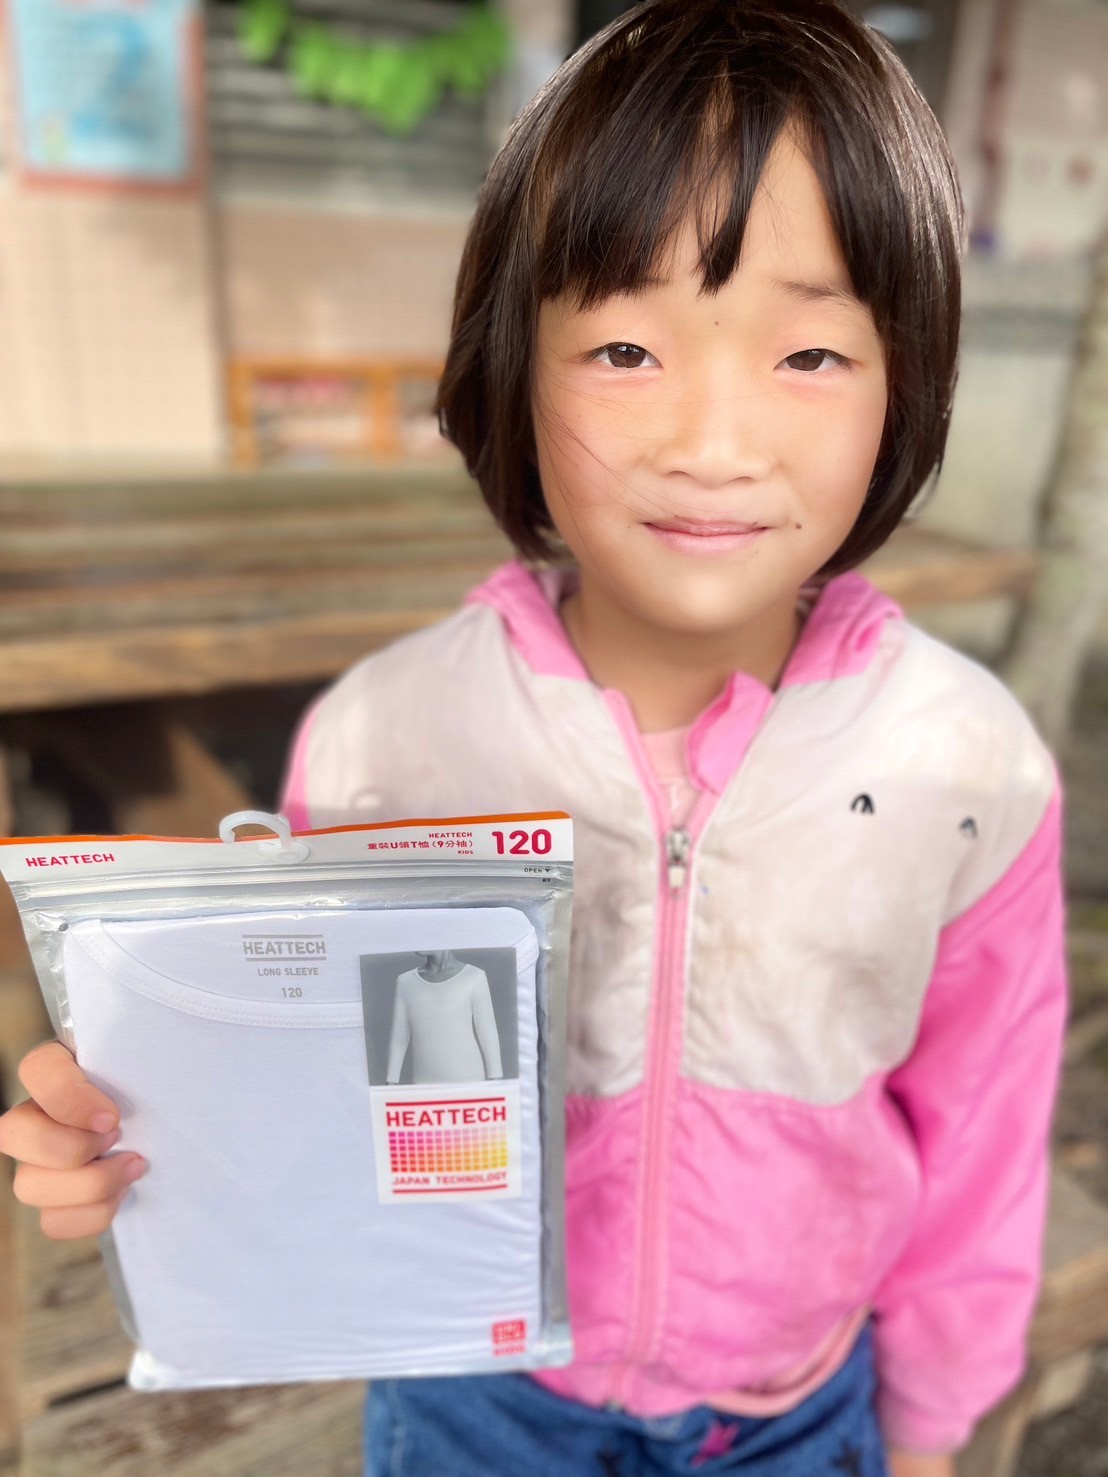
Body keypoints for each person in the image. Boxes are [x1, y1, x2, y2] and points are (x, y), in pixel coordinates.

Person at [0, 2, 1067, 1474]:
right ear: (514, 364)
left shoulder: (967, 768)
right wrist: (151, 1149)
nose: (712, 442)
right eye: (625, 347)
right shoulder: (387, 742)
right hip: (470, 1396)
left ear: (908, 380)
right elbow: (315, 1104)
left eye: (811, 354)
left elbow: (985, 1136)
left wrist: (933, 1425)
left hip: (801, 1402)